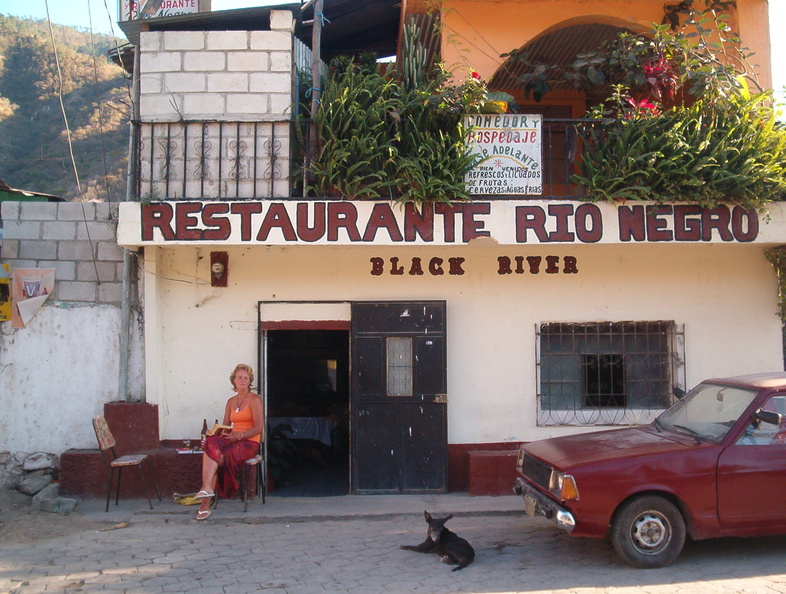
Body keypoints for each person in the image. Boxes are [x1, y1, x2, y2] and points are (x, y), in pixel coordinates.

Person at [195, 364, 264, 521]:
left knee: (219, 457)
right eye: (239, 377)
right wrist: (214, 434)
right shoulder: (231, 401)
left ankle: (204, 504)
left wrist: (239, 437)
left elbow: (259, 427)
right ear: (233, 380)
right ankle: (206, 488)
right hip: (233, 438)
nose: (242, 380)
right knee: (210, 444)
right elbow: (226, 427)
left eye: (246, 378)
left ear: (249, 381)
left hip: (249, 442)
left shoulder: (254, 400)